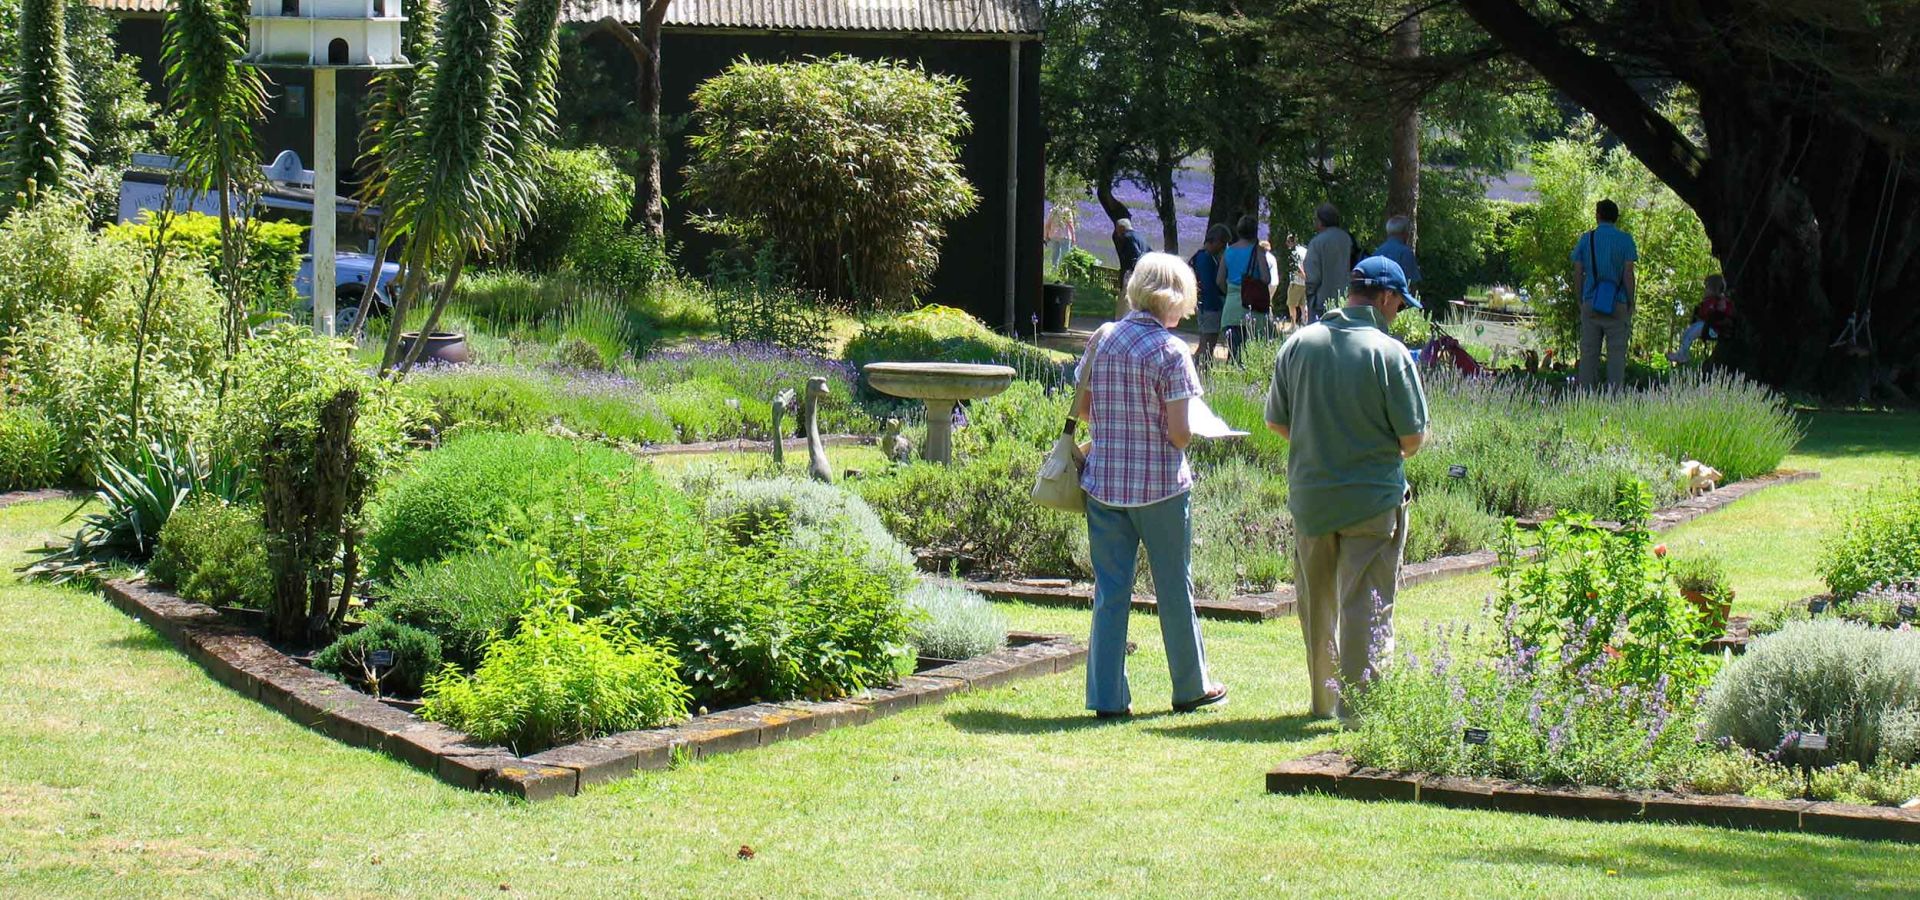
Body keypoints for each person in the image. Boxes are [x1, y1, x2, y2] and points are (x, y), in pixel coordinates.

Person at [1264, 256, 1428, 724]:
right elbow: (1412, 440)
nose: (1398, 313)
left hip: (1312, 496)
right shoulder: (1389, 352)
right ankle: (1360, 710)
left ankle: (1324, 703)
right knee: (1367, 603)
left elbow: (1277, 421)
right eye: (1399, 304)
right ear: (1385, 297)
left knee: (1317, 605)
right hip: (1372, 500)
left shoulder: (1299, 343)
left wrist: (1321, 443)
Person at [1070, 252, 1228, 718]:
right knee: (1173, 588)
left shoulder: (1102, 338)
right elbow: (1179, 433)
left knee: (1110, 591)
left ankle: (1106, 696)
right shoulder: (1171, 352)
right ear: (1176, 298)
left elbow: (1083, 410)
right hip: (1161, 487)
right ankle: (1190, 686)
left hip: (1104, 483)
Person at [1569, 199, 1639, 389]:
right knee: (1616, 353)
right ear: (1616, 217)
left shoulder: (1587, 239)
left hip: (1591, 300)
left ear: (1598, 215)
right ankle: (1613, 397)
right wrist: (1631, 301)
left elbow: (1578, 271)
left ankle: (1585, 397)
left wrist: (1581, 298)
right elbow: (1628, 273)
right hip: (1618, 302)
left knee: (1589, 353)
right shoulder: (1625, 240)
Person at [1213, 215, 1267, 363]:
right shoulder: (1258, 251)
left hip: (1232, 308)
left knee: (1234, 356)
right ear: (1255, 232)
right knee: (1252, 358)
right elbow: (1266, 278)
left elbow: (1219, 280)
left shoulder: (1228, 251)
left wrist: (1231, 293)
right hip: (1253, 307)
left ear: (1238, 231)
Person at [1302, 204, 1354, 321]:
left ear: (1321, 221)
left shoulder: (1317, 242)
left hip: (1322, 300)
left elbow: (1312, 274)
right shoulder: (1347, 239)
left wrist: (1311, 295)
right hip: (1345, 299)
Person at [1191, 224, 1232, 367]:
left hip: (1206, 305)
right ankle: (1199, 371)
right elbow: (1210, 286)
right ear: (1215, 241)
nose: (1223, 247)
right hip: (1210, 307)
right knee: (1207, 344)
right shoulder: (1206, 258)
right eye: (1223, 243)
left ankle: (1201, 371)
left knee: (1207, 344)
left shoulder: (1202, 256)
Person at [1668, 274, 1733, 364]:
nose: (1705, 290)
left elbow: (1722, 313)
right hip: (1706, 326)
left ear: (1714, 289)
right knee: (1687, 332)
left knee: (1691, 333)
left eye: (1707, 288)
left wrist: (1720, 306)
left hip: (1714, 330)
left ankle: (1682, 355)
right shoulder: (1707, 301)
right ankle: (1682, 354)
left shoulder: (1720, 300)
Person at [1113, 218, 1152, 319]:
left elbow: (1134, 256)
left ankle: (1121, 324)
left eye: (1117, 230)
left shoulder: (1127, 238)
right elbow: (1150, 253)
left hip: (1132, 273)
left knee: (1126, 302)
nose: (1117, 233)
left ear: (1121, 228)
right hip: (1142, 273)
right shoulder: (1140, 237)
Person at [1375, 215, 1423, 296]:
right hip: (1396, 300)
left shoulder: (1377, 252)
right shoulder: (1406, 253)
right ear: (1405, 233)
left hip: (1376, 298)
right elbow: (1411, 283)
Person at [1045, 203, 1078, 276]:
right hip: (1064, 236)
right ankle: (1063, 272)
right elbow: (1070, 225)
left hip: (1054, 235)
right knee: (1065, 255)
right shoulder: (1067, 211)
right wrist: (1073, 237)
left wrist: (1046, 235)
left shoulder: (1053, 210)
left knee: (1055, 254)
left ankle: (1054, 271)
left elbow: (1047, 224)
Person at [1286, 234, 1308, 328]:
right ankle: (1305, 322)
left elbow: (1297, 268)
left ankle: (1293, 325)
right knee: (1303, 304)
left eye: (1287, 241)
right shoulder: (1305, 250)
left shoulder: (1293, 252)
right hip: (1305, 283)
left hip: (1296, 282)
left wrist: (1304, 277)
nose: (1286, 244)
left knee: (1291, 304)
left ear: (1291, 242)